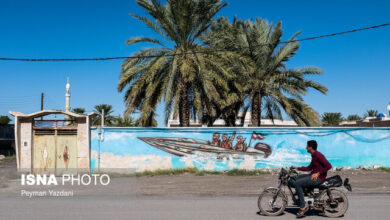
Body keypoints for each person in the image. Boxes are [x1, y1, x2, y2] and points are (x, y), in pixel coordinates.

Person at [290, 140, 332, 217]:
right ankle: (303, 196)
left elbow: (328, 166)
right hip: (312, 175)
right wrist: (297, 168)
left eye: (307, 146)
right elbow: (309, 168)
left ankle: (303, 206)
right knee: (295, 178)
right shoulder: (313, 155)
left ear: (310, 147)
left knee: (298, 183)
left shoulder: (318, 155)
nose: (306, 147)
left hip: (319, 178)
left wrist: (318, 173)